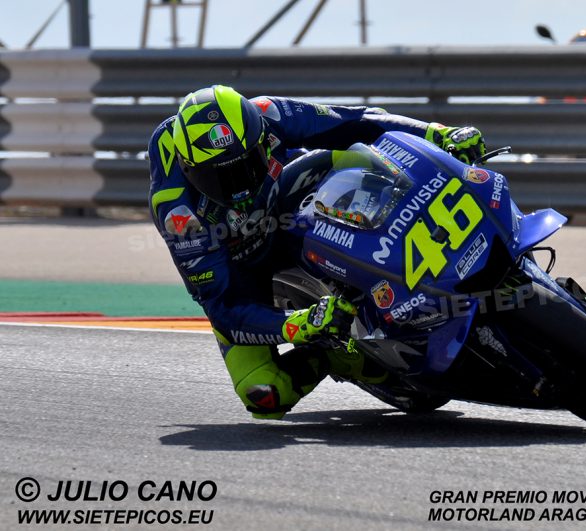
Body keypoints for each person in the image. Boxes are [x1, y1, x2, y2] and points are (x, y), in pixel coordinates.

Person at [147, 85, 485, 419]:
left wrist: (437, 133)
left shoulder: (266, 113)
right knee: (263, 392)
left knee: (355, 155)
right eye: (219, 178)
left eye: (246, 164)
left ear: (261, 139)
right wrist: (298, 325)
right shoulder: (178, 215)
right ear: (189, 169)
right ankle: (334, 356)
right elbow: (224, 308)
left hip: (290, 203)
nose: (238, 188)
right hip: (239, 264)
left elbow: (354, 120)